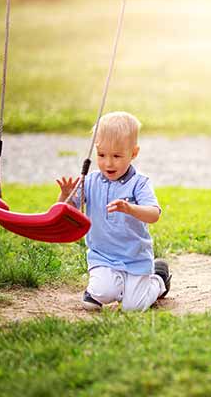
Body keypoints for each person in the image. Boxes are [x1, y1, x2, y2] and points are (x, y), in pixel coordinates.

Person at [57, 111, 171, 311]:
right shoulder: (90, 181)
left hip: (135, 257)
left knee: (133, 308)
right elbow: (67, 210)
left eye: (117, 156)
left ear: (133, 153)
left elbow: (154, 214)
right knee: (100, 294)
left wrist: (129, 208)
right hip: (103, 256)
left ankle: (158, 281)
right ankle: (106, 288)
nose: (108, 163)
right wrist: (65, 195)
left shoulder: (139, 183)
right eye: (101, 155)